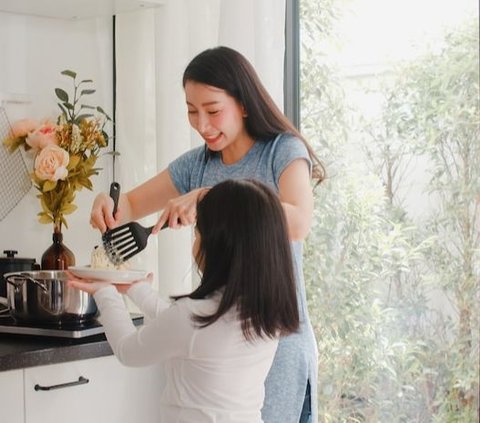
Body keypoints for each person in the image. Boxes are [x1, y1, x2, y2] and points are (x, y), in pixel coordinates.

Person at [90, 46, 325, 423]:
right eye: (191, 110)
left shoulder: (281, 151)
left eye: (213, 111)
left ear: (244, 104)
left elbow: (298, 223)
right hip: (220, 338)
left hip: (274, 335)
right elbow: (130, 206)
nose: (202, 125)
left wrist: (208, 196)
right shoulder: (197, 163)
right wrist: (108, 203)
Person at [70, 179, 300, 422]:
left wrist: (105, 293)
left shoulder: (193, 317)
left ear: (219, 246)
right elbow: (183, 327)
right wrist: (136, 289)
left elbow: (129, 350)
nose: (195, 244)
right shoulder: (265, 314)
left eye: (198, 233)